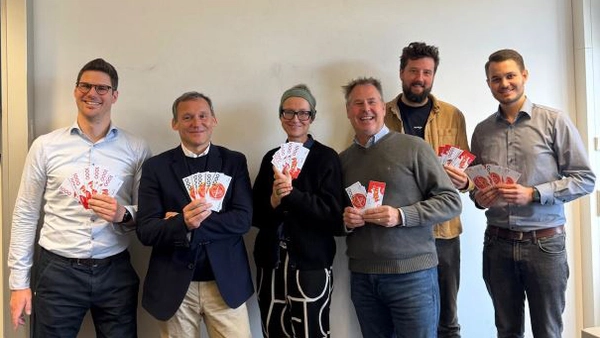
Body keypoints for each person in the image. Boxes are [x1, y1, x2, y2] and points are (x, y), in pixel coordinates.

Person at [7, 58, 151, 337]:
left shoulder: (137, 148)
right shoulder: (46, 146)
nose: (92, 93)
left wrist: (123, 213)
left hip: (115, 270)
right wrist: (18, 283)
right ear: (75, 91)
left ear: (114, 95)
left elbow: (147, 212)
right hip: (57, 271)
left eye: (102, 88)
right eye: (85, 85)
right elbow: (25, 213)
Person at [471, 49, 595, 338]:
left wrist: (534, 194)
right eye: (496, 78)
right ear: (488, 83)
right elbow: (476, 187)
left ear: (524, 76)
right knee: (507, 331)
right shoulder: (482, 131)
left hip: (545, 245)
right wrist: (479, 198)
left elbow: (586, 179)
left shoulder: (554, 121)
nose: (504, 84)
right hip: (497, 244)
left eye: (510, 75)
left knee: (548, 331)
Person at [340, 77, 462, 338]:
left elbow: (451, 201)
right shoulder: (342, 160)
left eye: (372, 102)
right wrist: (346, 221)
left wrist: (401, 215)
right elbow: (337, 214)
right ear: (348, 112)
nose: (366, 109)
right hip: (363, 277)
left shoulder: (414, 148)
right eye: (358, 104)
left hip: (413, 276)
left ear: (384, 108)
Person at [136, 91, 253, 337]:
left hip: (226, 284)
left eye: (202, 116)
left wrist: (184, 223)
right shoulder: (156, 167)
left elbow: (242, 219)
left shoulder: (234, 161)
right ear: (174, 123)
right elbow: (146, 231)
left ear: (214, 119)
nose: (196, 123)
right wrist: (183, 223)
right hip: (174, 286)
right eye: (187, 117)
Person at [384, 41, 472, 338]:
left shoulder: (452, 115)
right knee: (405, 319)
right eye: (413, 71)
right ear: (401, 72)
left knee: (447, 318)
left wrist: (466, 181)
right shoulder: (380, 116)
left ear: (433, 75)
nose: (419, 78)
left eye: (426, 72)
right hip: (398, 233)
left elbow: (468, 171)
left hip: (444, 232)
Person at [252, 84, 345, 337]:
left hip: (311, 263)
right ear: (280, 116)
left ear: (312, 117)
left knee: (312, 331)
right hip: (271, 262)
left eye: (303, 113)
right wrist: (273, 199)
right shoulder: (271, 157)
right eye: (288, 112)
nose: (295, 119)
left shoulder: (326, 158)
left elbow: (334, 217)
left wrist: (293, 195)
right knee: (273, 330)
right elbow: (254, 216)